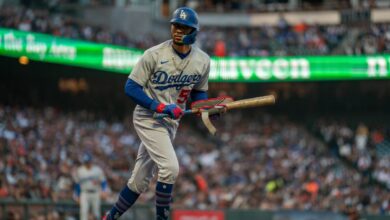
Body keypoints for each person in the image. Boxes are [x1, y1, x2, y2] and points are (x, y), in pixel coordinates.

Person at [103, 6, 211, 220]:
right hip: (148, 117)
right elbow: (131, 87)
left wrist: (208, 110)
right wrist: (159, 106)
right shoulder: (153, 54)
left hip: (170, 123)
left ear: (194, 32)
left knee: (140, 180)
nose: (178, 30)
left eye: (184, 27)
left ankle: (111, 216)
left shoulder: (203, 60)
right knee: (170, 168)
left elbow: (199, 94)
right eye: (175, 26)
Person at [74, 153, 108, 220]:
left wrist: (104, 191)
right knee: (83, 212)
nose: (87, 163)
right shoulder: (80, 170)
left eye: (88, 161)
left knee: (96, 213)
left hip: (95, 193)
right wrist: (77, 195)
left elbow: (103, 182)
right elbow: (77, 184)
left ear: (91, 161)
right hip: (84, 193)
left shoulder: (97, 170)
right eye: (86, 162)